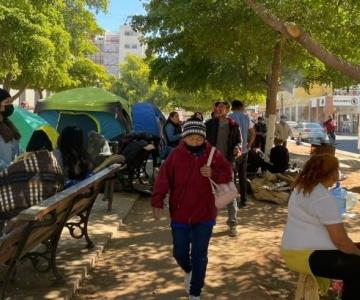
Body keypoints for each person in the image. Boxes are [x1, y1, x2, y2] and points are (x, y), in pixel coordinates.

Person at [152, 119, 232, 300]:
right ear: (184, 138)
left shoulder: (214, 154)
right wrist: (157, 200)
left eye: (198, 138)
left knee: (199, 254)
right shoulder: (175, 155)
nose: (195, 141)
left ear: (204, 138)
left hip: (205, 214)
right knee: (179, 252)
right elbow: (163, 179)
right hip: (180, 213)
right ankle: (188, 270)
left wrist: (214, 173)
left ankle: (196, 290)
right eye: (191, 138)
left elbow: (228, 174)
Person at [281, 154, 360, 300]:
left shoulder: (302, 187)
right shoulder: (321, 197)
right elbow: (340, 240)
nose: (338, 174)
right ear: (331, 173)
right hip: (305, 255)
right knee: (357, 267)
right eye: (337, 170)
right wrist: (356, 252)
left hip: (295, 250)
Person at [205, 101, 242, 236]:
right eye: (217, 107)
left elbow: (239, 141)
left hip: (227, 164)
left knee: (230, 193)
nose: (219, 109)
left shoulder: (233, 125)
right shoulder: (209, 124)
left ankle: (232, 223)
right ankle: (209, 223)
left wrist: (237, 147)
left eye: (222, 107)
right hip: (210, 163)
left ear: (227, 110)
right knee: (210, 193)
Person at [228, 100, 256, 208]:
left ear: (232, 107)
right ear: (241, 107)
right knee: (243, 176)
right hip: (244, 151)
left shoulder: (229, 117)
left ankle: (233, 201)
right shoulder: (247, 117)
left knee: (233, 177)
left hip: (233, 152)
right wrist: (249, 146)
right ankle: (244, 201)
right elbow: (253, 134)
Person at [0, 89, 21, 171]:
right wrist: (8, 168)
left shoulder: (9, 125)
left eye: (10, 102)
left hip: (8, 178)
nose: (10, 105)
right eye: (7, 102)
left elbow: (16, 150)